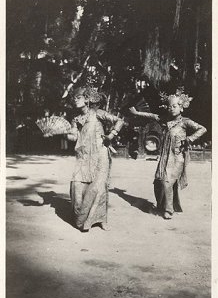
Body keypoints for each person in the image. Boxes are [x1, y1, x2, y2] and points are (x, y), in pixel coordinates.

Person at [130, 87, 207, 220]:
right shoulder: (165, 120)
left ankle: (169, 210)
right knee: (158, 182)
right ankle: (161, 205)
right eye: (169, 106)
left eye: (175, 106)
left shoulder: (185, 122)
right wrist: (137, 113)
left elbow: (202, 129)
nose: (171, 108)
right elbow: (152, 115)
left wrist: (189, 139)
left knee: (167, 182)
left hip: (177, 157)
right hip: (165, 158)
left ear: (181, 108)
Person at [66, 85, 124, 232]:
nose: (74, 100)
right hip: (83, 156)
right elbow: (72, 137)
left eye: (77, 97)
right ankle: (81, 220)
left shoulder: (97, 113)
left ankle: (99, 219)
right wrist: (60, 132)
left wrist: (111, 135)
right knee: (76, 187)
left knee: (97, 188)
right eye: (73, 98)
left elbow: (119, 121)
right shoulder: (76, 119)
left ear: (86, 99)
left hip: (100, 155)